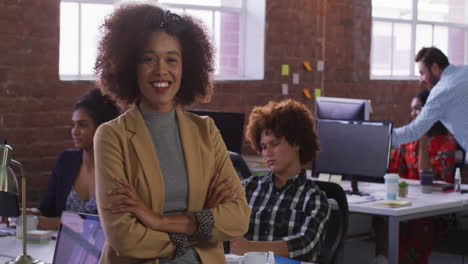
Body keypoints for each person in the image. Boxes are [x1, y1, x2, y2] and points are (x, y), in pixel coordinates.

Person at [93, 3, 251, 264]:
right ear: (131, 65)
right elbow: (125, 239)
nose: (161, 71)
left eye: (171, 59)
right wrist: (202, 224)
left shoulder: (206, 131)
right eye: (148, 59)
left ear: (185, 66)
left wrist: (158, 220)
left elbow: (239, 217)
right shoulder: (111, 137)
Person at [230, 99, 330, 262]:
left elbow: (305, 244)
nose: (267, 152)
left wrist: (250, 248)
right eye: (263, 147)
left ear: (296, 142)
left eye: (274, 144)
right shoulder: (247, 189)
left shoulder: (314, 198)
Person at [30, 88, 120, 230]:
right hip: (58, 247)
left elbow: (116, 225)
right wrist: (25, 214)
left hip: (105, 251)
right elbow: (46, 210)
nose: (74, 131)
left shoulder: (119, 167)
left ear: (102, 128)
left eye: (82, 125)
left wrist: (59, 223)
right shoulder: (66, 160)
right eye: (73, 125)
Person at [392, 47, 468, 152]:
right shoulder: (465, 70)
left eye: (422, 73)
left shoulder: (441, 92)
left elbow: (414, 131)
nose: (421, 80)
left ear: (435, 68)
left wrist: (382, 135)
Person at [389, 89, 456, 183]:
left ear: (430, 111)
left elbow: (428, 181)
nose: (412, 114)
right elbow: (389, 167)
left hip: (437, 196)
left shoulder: (446, 144)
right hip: (411, 195)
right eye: (412, 110)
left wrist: (423, 140)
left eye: (417, 108)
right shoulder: (408, 143)